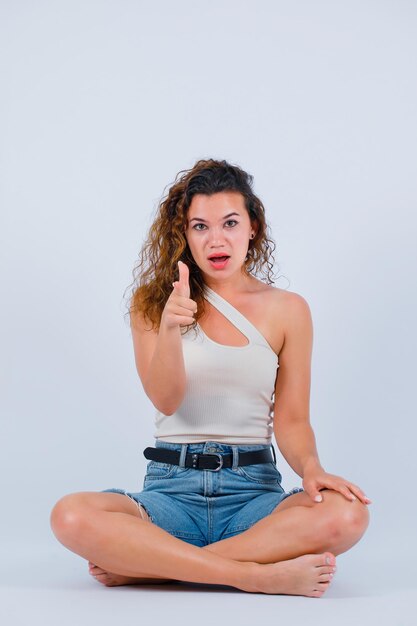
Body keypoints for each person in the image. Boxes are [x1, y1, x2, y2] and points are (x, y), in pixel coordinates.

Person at [50, 158, 371, 597]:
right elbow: (165, 400)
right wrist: (167, 328)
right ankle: (253, 574)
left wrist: (313, 469)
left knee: (349, 513)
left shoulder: (288, 310)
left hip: (253, 494)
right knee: (68, 515)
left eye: (230, 223)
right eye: (199, 226)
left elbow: (292, 419)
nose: (216, 239)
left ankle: (155, 565)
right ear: (183, 234)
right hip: (171, 491)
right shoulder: (153, 302)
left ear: (253, 227)